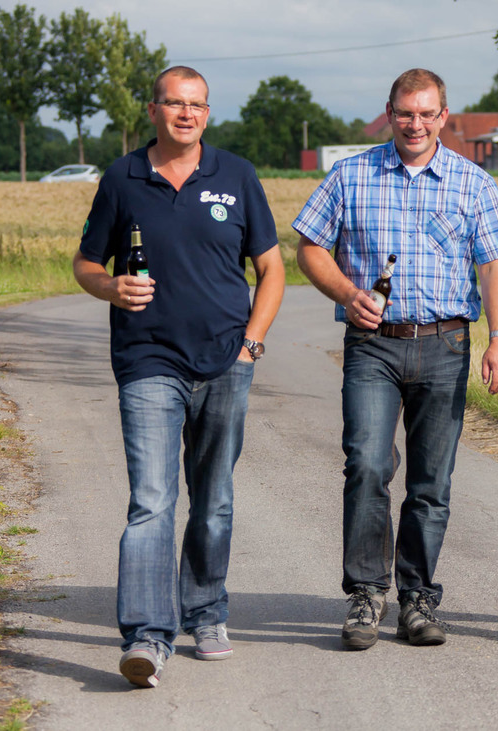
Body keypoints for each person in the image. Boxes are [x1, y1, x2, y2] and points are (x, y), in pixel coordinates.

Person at [294, 68, 498, 651]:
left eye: (426, 113)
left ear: (443, 116)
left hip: (446, 345)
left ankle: (417, 598)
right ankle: (367, 593)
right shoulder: (352, 175)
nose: (414, 124)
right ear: (390, 113)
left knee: (431, 481)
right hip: (373, 344)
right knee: (368, 464)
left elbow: (495, 263)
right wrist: (348, 293)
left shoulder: (473, 183)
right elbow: (310, 248)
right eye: (404, 113)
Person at [73, 65, 284, 688]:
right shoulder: (122, 178)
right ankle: (146, 635)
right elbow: (85, 263)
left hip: (226, 361)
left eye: (197, 105)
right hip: (147, 360)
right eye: (174, 103)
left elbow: (272, 269)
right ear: (153, 110)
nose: (186, 114)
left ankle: (206, 611)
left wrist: (250, 345)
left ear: (207, 114)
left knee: (213, 500)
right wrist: (110, 287)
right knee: (151, 501)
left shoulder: (237, 175)